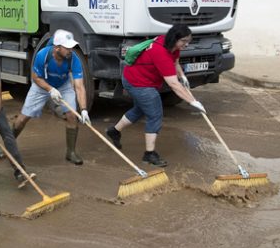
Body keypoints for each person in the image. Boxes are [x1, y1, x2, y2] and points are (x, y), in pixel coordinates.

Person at [105, 24, 205, 167]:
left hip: (142, 79)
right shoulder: (161, 52)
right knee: (155, 114)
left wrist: (182, 76)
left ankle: (114, 131)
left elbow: (175, 61)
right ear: (174, 39)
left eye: (188, 40)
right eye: (183, 41)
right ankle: (149, 155)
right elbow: (173, 84)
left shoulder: (170, 44)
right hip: (137, 82)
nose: (186, 44)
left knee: (140, 109)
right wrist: (192, 101)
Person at [11, 29, 90, 166]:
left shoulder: (74, 59)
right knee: (24, 117)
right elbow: (36, 78)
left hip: (63, 84)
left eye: (71, 46)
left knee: (72, 115)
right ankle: (7, 145)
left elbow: (79, 86)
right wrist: (50, 89)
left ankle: (70, 152)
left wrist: (83, 109)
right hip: (42, 85)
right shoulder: (43, 55)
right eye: (67, 47)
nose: (70, 50)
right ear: (57, 47)